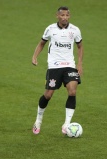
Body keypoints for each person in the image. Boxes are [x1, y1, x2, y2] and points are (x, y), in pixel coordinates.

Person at [31, 6, 83, 135]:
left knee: (72, 91)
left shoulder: (75, 30)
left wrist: (80, 64)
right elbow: (42, 43)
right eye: (62, 15)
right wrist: (34, 56)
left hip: (69, 65)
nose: (64, 17)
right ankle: (38, 120)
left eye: (67, 15)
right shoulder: (50, 29)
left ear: (69, 16)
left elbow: (80, 46)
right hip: (54, 66)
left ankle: (66, 124)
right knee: (48, 95)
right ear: (57, 16)